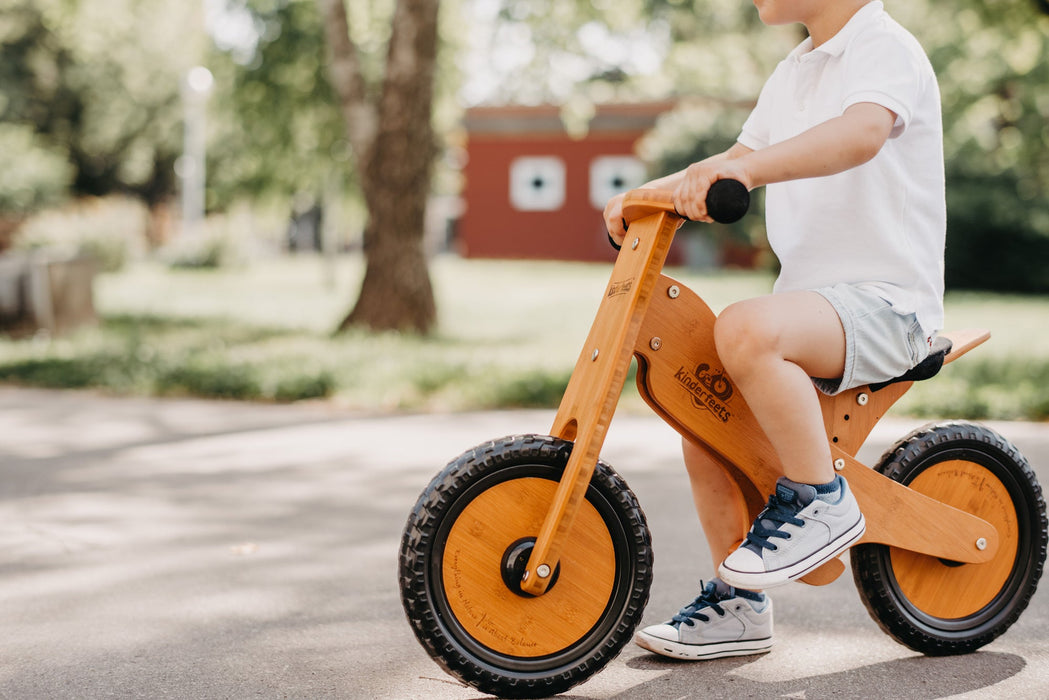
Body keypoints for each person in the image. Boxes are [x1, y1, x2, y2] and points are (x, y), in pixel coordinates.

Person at [603, 0, 945, 660]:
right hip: (814, 311)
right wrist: (646, 195)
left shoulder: (882, 47)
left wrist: (747, 173)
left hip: (888, 308)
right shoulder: (793, 71)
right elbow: (735, 157)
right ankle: (737, 605)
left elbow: (859, 135)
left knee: (743, 330)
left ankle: (821, 501)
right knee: (700, 409)